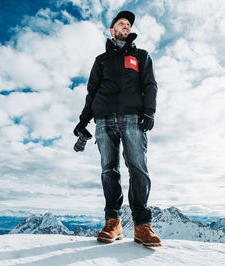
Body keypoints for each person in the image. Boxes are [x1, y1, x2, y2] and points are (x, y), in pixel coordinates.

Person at [73, 10, 161, 247]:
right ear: (112, 30)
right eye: (121, 23)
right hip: (103, 120)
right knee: (108, 170)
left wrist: (149, 111)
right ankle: (113, 222)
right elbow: (92, 92)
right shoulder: (101, 60)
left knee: (138, 169)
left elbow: (150, 85)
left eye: (128, 24)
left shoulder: (141, 56)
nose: (126, 26)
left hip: (133, 118)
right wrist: (83, 120)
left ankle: (142, 226)